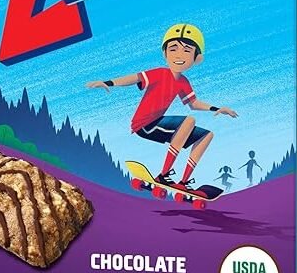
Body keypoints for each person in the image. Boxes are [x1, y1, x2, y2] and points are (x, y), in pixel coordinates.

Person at [86, 24, 238, 194]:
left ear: (197, 59)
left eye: (187, 51)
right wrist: (108, 83)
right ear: (165, 53)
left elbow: (193, 103)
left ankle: (183, 182)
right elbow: (134, 78)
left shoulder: (183, 82)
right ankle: (164, 175)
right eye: (173, 49)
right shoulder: (159, 73)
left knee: (206, 135)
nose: (179, 55)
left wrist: (217, 108)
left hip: (160, 124)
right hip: (144, 125)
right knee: (189, 121)